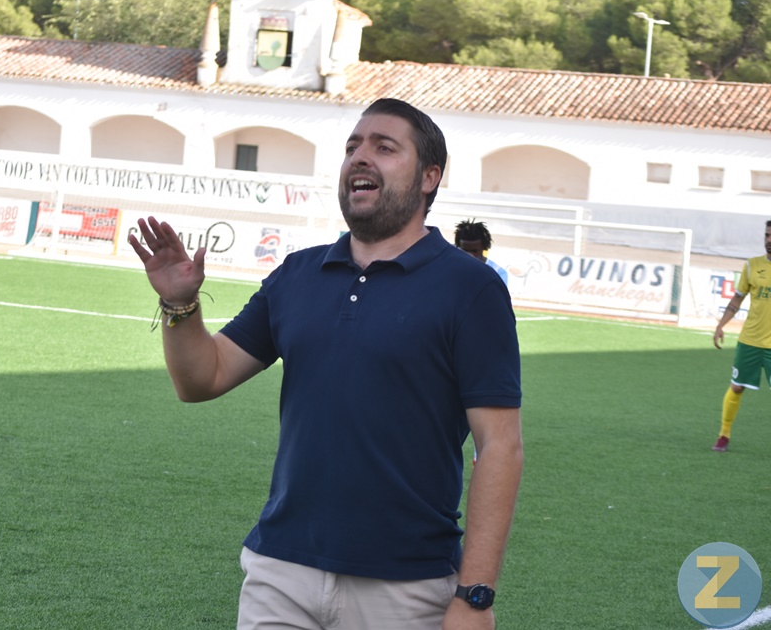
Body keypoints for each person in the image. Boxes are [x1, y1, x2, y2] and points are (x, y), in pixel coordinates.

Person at [129, 97, 523, 630]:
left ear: (430, 177)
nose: (361, 157)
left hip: (405, 586)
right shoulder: (298, 274)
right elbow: (203, 377)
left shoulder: (470, 289)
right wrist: (180, 305)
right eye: (353, 147)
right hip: (280, 570)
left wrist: (474, 595)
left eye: (385, 148)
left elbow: (499, 445)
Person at [711, 219, 771, 451]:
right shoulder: (752, 266)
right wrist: (721, 325)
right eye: (766, 235)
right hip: (751, 341)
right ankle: (724, 434)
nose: (769, 240)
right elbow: (737, 298)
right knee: (736, 387)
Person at [455, 219, 507, 285]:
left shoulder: (498, 273)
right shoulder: (450, 269)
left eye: (474, 251)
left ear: (484, 248)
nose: (470, 255)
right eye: (465, 251)